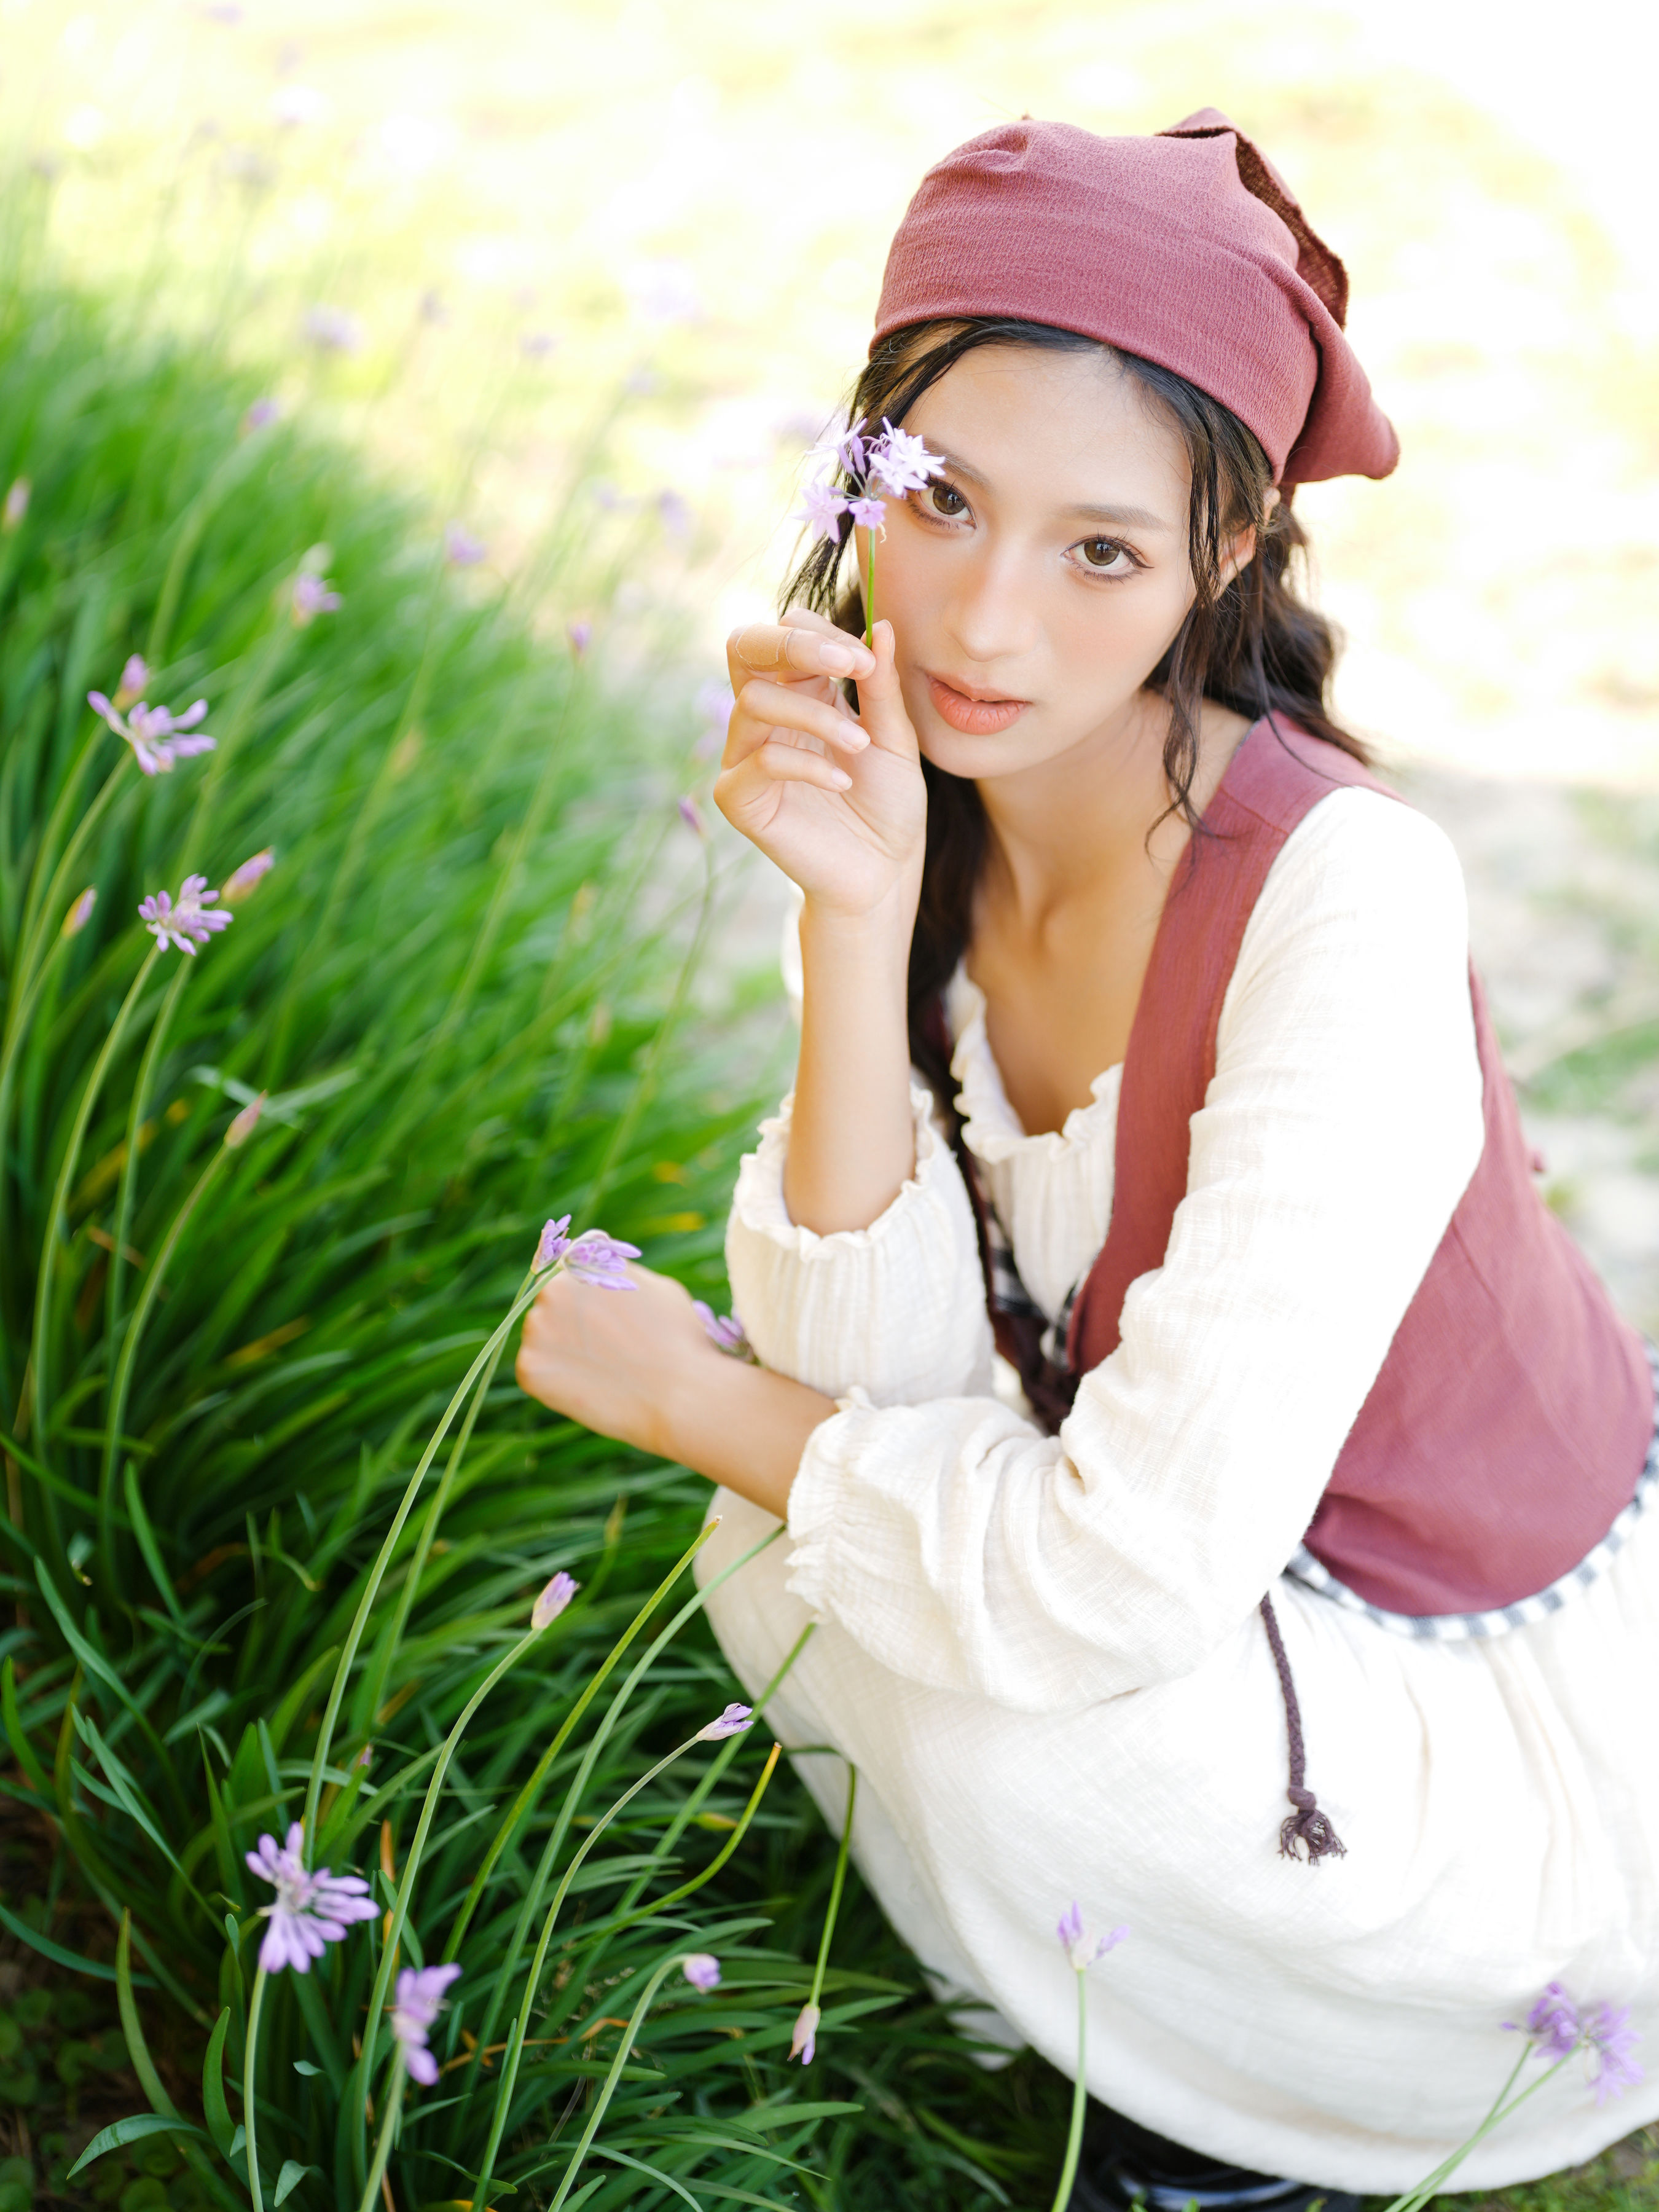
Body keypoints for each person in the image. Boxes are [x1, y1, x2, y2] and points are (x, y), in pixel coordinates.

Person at [516, 111, 1659, 2207]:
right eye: (940, 501)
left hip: (1442, 1712)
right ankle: (1145, 2003)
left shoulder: (1343, 899)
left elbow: (1112, 1573)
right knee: (785, 1561)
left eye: (1098, 554)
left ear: (1221, 565)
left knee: (911, 1656)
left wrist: (692, 1397)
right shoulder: (932, 801)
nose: (983, 620)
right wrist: (852, 930)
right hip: (1174, 1571)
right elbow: (872, 1382)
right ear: (864, 462)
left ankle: (1264, 2101)